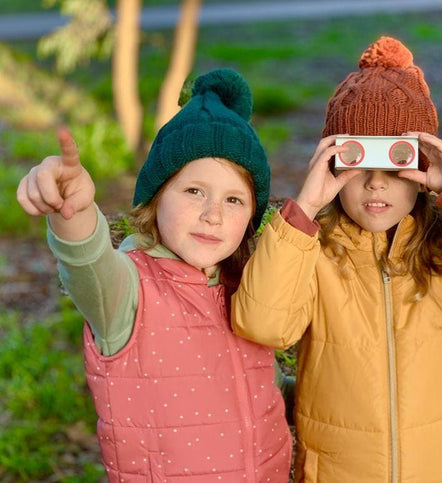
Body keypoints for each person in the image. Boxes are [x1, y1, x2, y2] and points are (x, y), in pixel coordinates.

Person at [231, 36, 442, 482]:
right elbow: (263, 324)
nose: (377, 184)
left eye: (397, 165)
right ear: (333, 165)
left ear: (424, 170)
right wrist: (304, 211)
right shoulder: (311, 252)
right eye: (357, 163)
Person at [17, 68, 293, 482]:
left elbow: (262, 387)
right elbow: (88, 263)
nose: (213, 214)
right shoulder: (127, 292)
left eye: (234, 199)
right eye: (194, 191)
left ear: (251, 217)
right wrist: (71, 211)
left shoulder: (244, 290)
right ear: (156, 197)